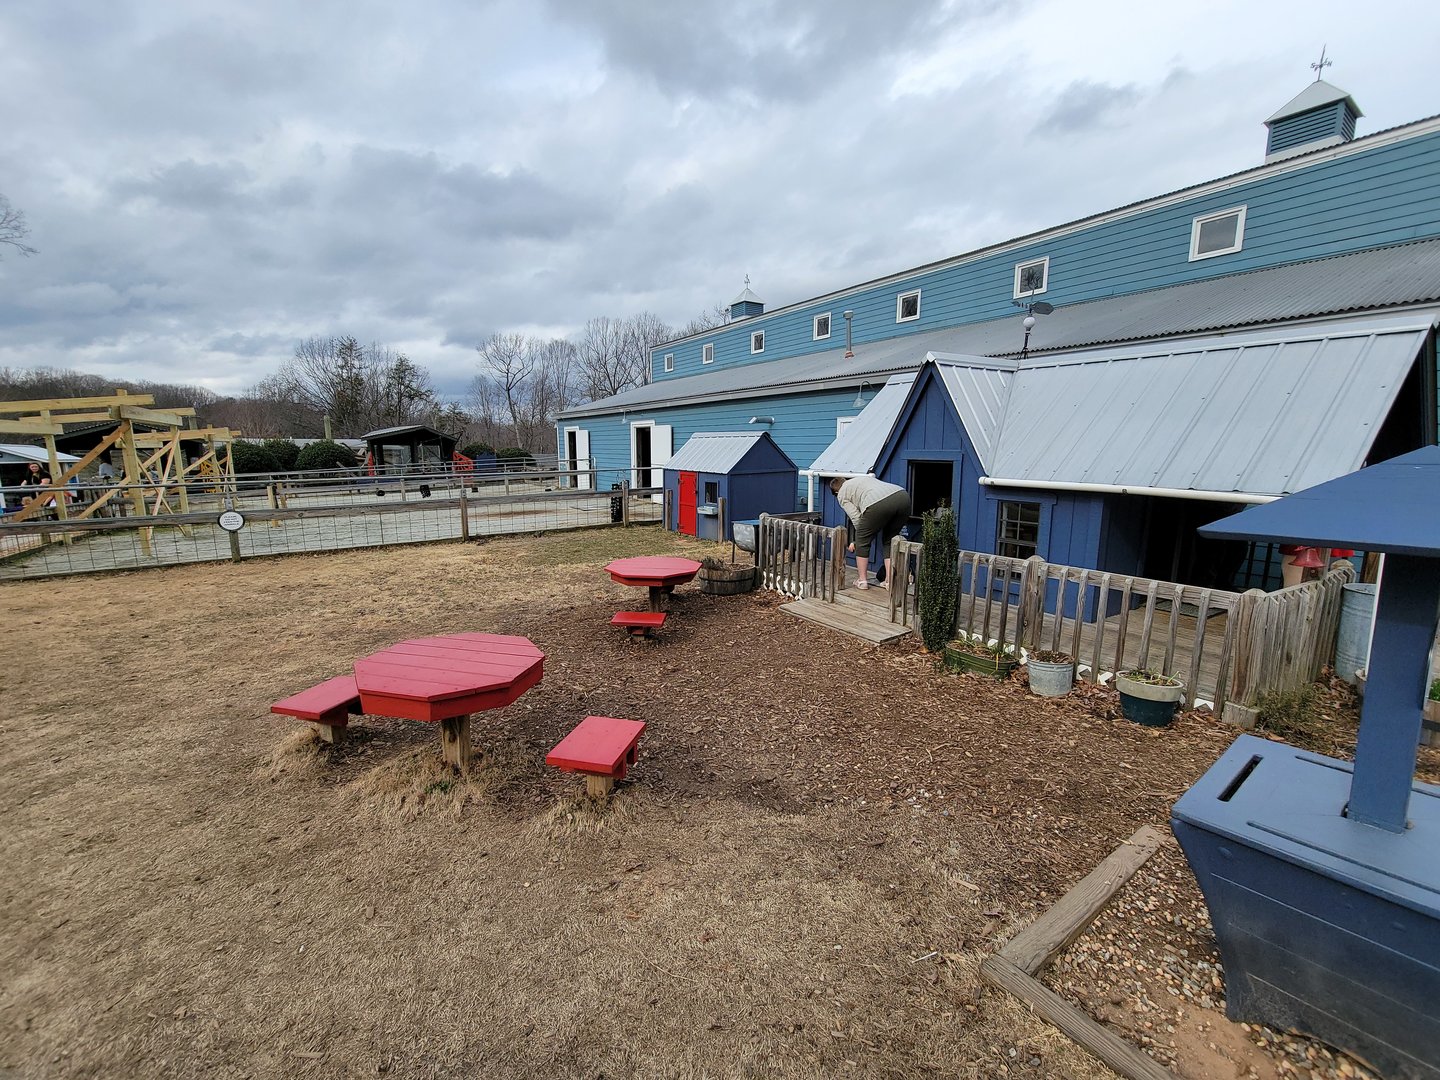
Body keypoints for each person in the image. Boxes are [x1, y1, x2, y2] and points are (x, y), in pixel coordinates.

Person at [829, 475, 911, 591]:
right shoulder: (861, 480)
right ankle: (889, 581)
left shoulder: (842, 493)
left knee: (862, 539)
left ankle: (862, 581)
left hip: (877, 502)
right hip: (903, 497)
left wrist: (860, 537)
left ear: (836, 491)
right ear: (845, 481)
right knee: (889, 540)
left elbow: (856, 518)